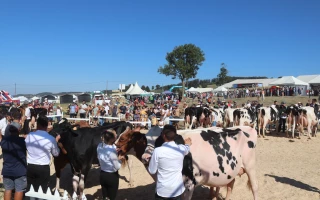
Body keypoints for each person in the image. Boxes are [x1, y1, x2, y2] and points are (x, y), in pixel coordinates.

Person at [148, 125, 192, 200]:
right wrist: (187, 143)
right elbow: (187, 148)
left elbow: (152, 171)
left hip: (162, 191)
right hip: (176, 190)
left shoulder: (157, 151)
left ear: (163, 136)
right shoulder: (181, 149)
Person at [25, 115, 62, 192]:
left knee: (30, 190)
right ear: (47, 125)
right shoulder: (51, 139)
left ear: (37, 124)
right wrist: (57, 142)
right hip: (43, 167)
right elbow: (56, 154)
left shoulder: (29, 136)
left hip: (30, 166)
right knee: (42, 190)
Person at [0, 113, 26, 200]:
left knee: (7, 190)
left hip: (7, 169)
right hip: (20, 170)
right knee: (19, 190)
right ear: (18, 130)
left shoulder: (3, 142)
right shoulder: (22, 141)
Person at [97, 130, 125, 200]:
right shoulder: (111, 152)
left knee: (105, 197)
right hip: (112, 177)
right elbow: (117, 167)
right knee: (112, 197)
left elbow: (108, 146)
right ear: (111, 139)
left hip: (102, 174)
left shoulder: (99, 146)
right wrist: (121, 160)